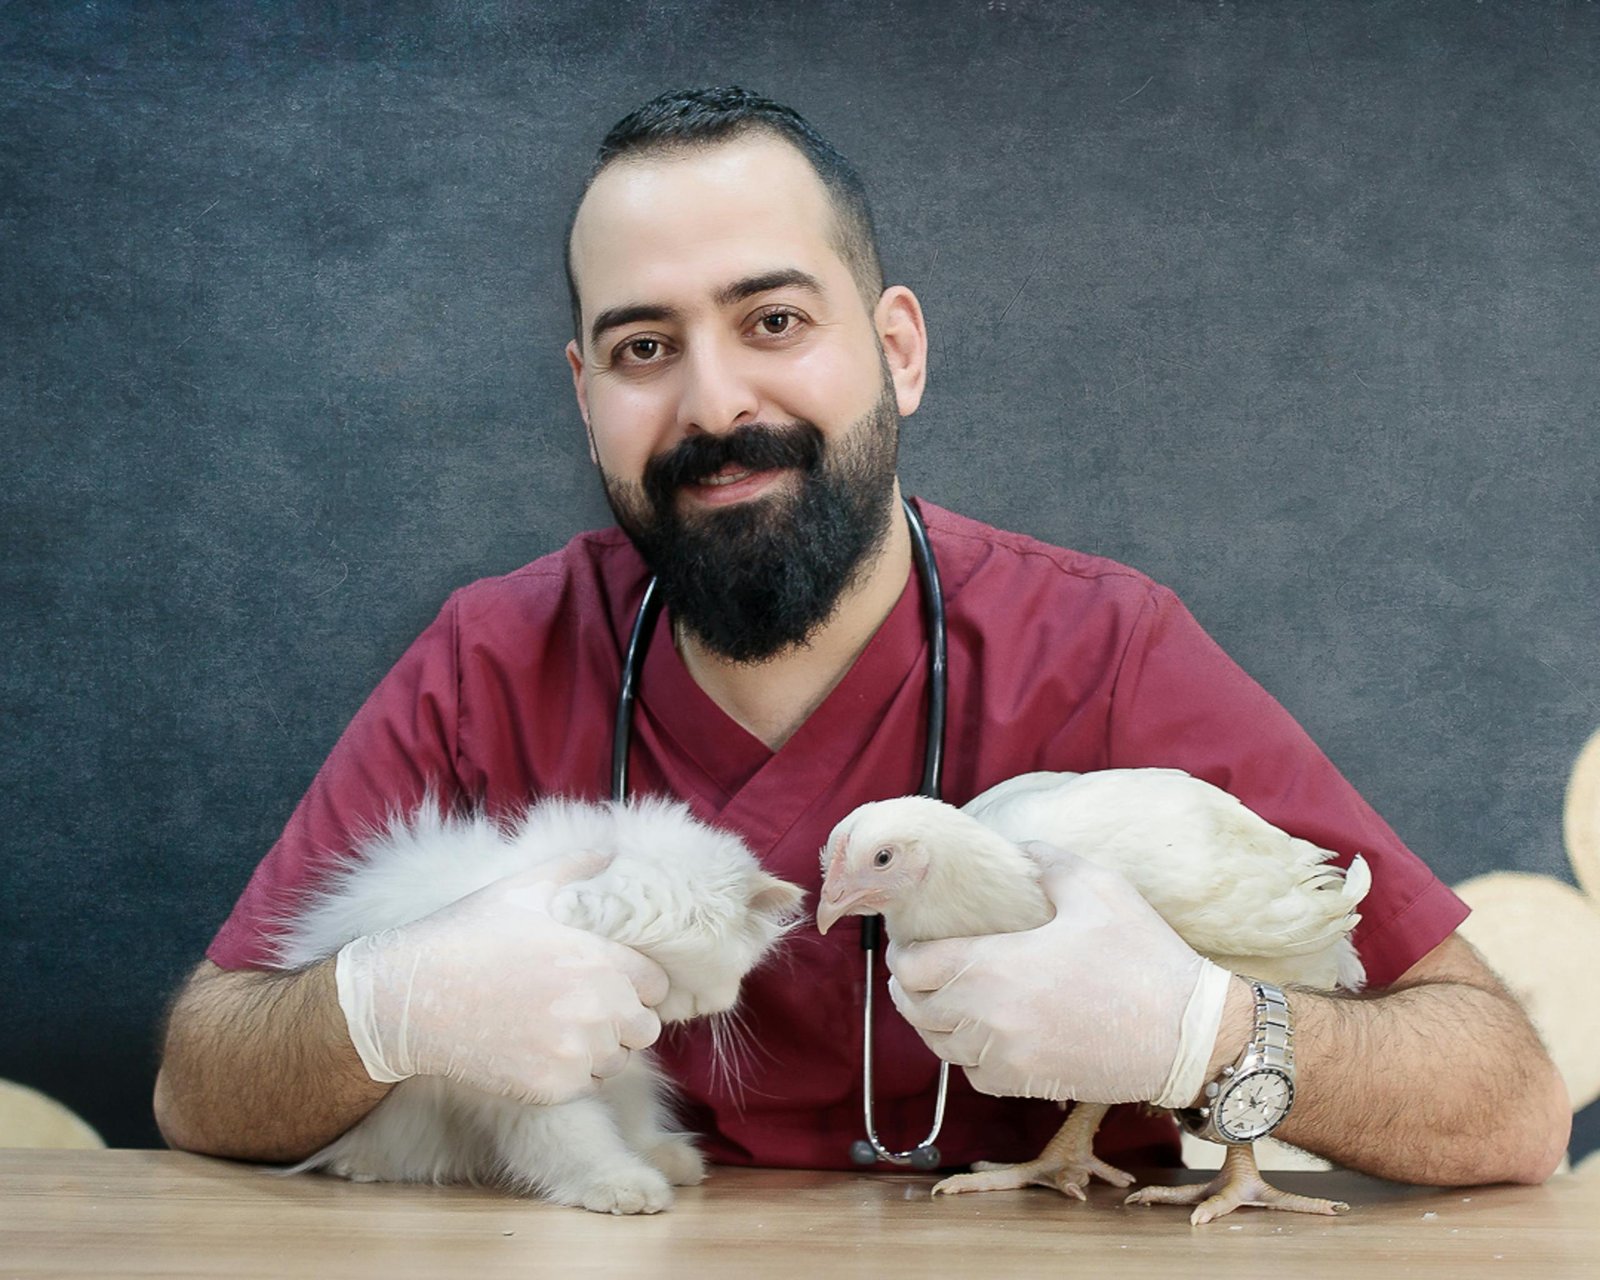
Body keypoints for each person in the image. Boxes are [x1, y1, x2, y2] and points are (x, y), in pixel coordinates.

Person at [154, 86, 1569, 1186]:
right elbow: (198, 1084)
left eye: (774, 318)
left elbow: (1506, 1100)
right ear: (585, 395)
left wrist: (1205, 1033)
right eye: (645, 348)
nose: (715, 403)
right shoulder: (490, 662)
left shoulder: (1107, 650)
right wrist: (385, 1007)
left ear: (897, 348)